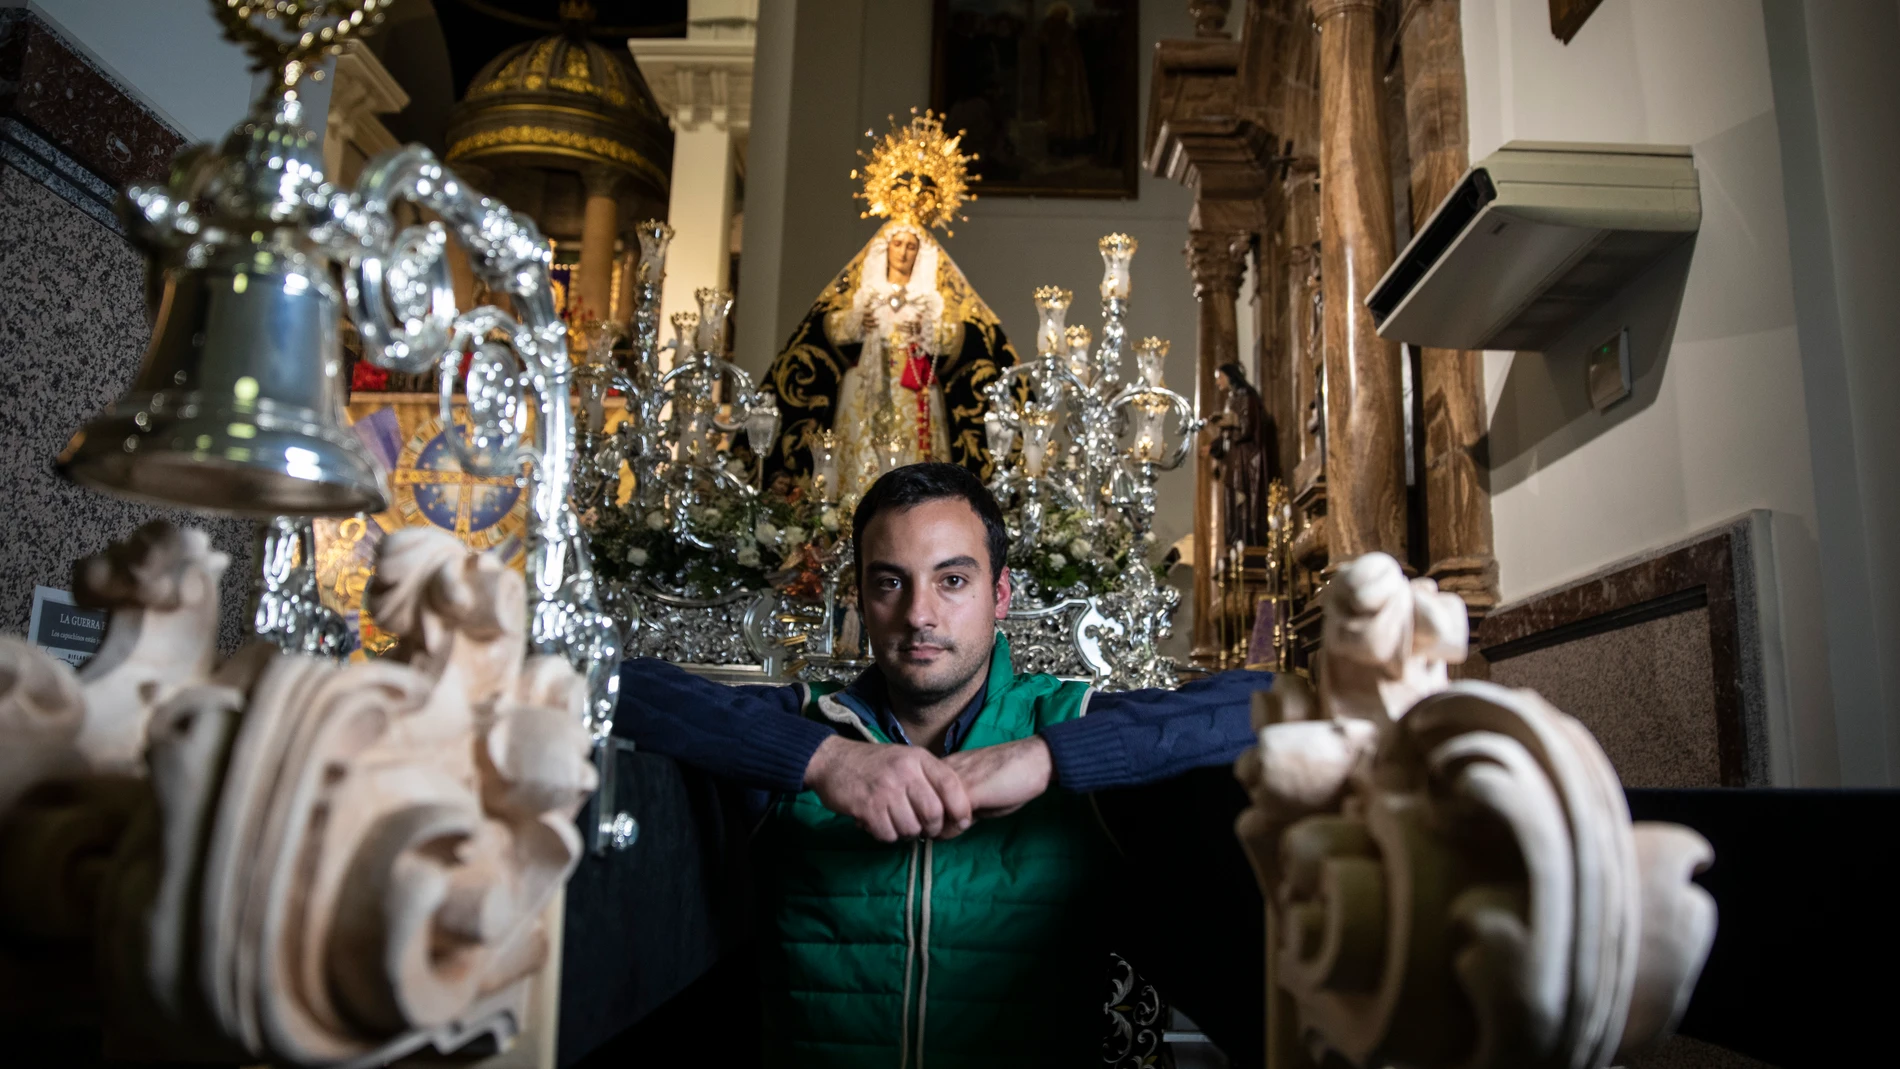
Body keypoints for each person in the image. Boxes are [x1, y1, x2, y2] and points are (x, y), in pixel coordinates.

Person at [617, 463, 1268, 1067]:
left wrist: (1048, 755)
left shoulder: (1068, 721)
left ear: (1001, 593)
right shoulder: (804, 725)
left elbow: (1262, 702)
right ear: (860, 597)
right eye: (889, 582)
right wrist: (822, 757)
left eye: (952, 580)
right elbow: (619, 685)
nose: (918, 614)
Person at [762, 112, 1019, 497]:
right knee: (861, 474)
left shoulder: (931, 296)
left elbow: (957, 337)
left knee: (916, 475)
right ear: (885, 248)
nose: (903, 251)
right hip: (865, 387)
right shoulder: (866, 290)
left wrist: (928, 332)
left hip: (915, 391)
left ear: (921, 253)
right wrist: (855, 322)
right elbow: (825, 330)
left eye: (911, 246)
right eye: (897, 244)